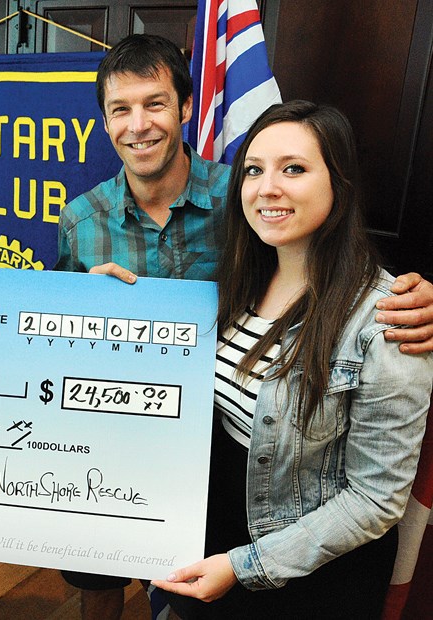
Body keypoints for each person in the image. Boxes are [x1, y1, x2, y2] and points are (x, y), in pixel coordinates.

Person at [55, 34, 433, 620]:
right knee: (103, 579)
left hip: (289, 552)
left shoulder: (246, 210)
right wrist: (84, 312)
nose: (268, 188)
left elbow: (374, 497)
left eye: (155, 103)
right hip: (164, 476)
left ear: (186, 108)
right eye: (120, 109)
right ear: (103, 121)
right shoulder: (90, 222)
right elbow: (57, 333)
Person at [151, 100, 433, 618]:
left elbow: (376, 500)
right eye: (254, 170)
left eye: (294, 169)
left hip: (309, 573)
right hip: (212, 536)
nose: (267, 187)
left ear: (339, 185)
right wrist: (103, 305)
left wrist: (244, 566)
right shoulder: (236, 281)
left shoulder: (388, 320)